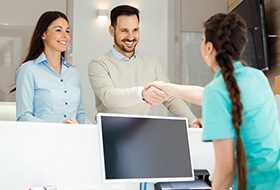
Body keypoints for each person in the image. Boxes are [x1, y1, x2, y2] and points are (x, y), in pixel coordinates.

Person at [146, 12, 280, 189]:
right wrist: (167, 87)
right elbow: (206, 95)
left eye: (202, 40)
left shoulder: (217, 91)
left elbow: (226, 167)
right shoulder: (258, 77)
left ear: (209, 47)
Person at [88, 5, 201, 127]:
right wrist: (142, 93)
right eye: (124, 30)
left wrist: (192, 120)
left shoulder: (151, 62)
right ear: (112, 30)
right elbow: (108, 97)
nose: (131, 37)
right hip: (110, 133)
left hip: (143, 133)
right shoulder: (99, 64)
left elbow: (171, 98)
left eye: (135, 30)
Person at [12, 11, 92, 124]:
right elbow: (24, 116)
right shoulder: (28, 70)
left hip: (72, 139)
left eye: (67, 31)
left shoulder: (73, 73)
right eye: (58, 30)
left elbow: (79, 114)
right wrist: (57, 127)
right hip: (43, 139)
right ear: (43, 34)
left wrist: (95, 130)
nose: (65, 36)